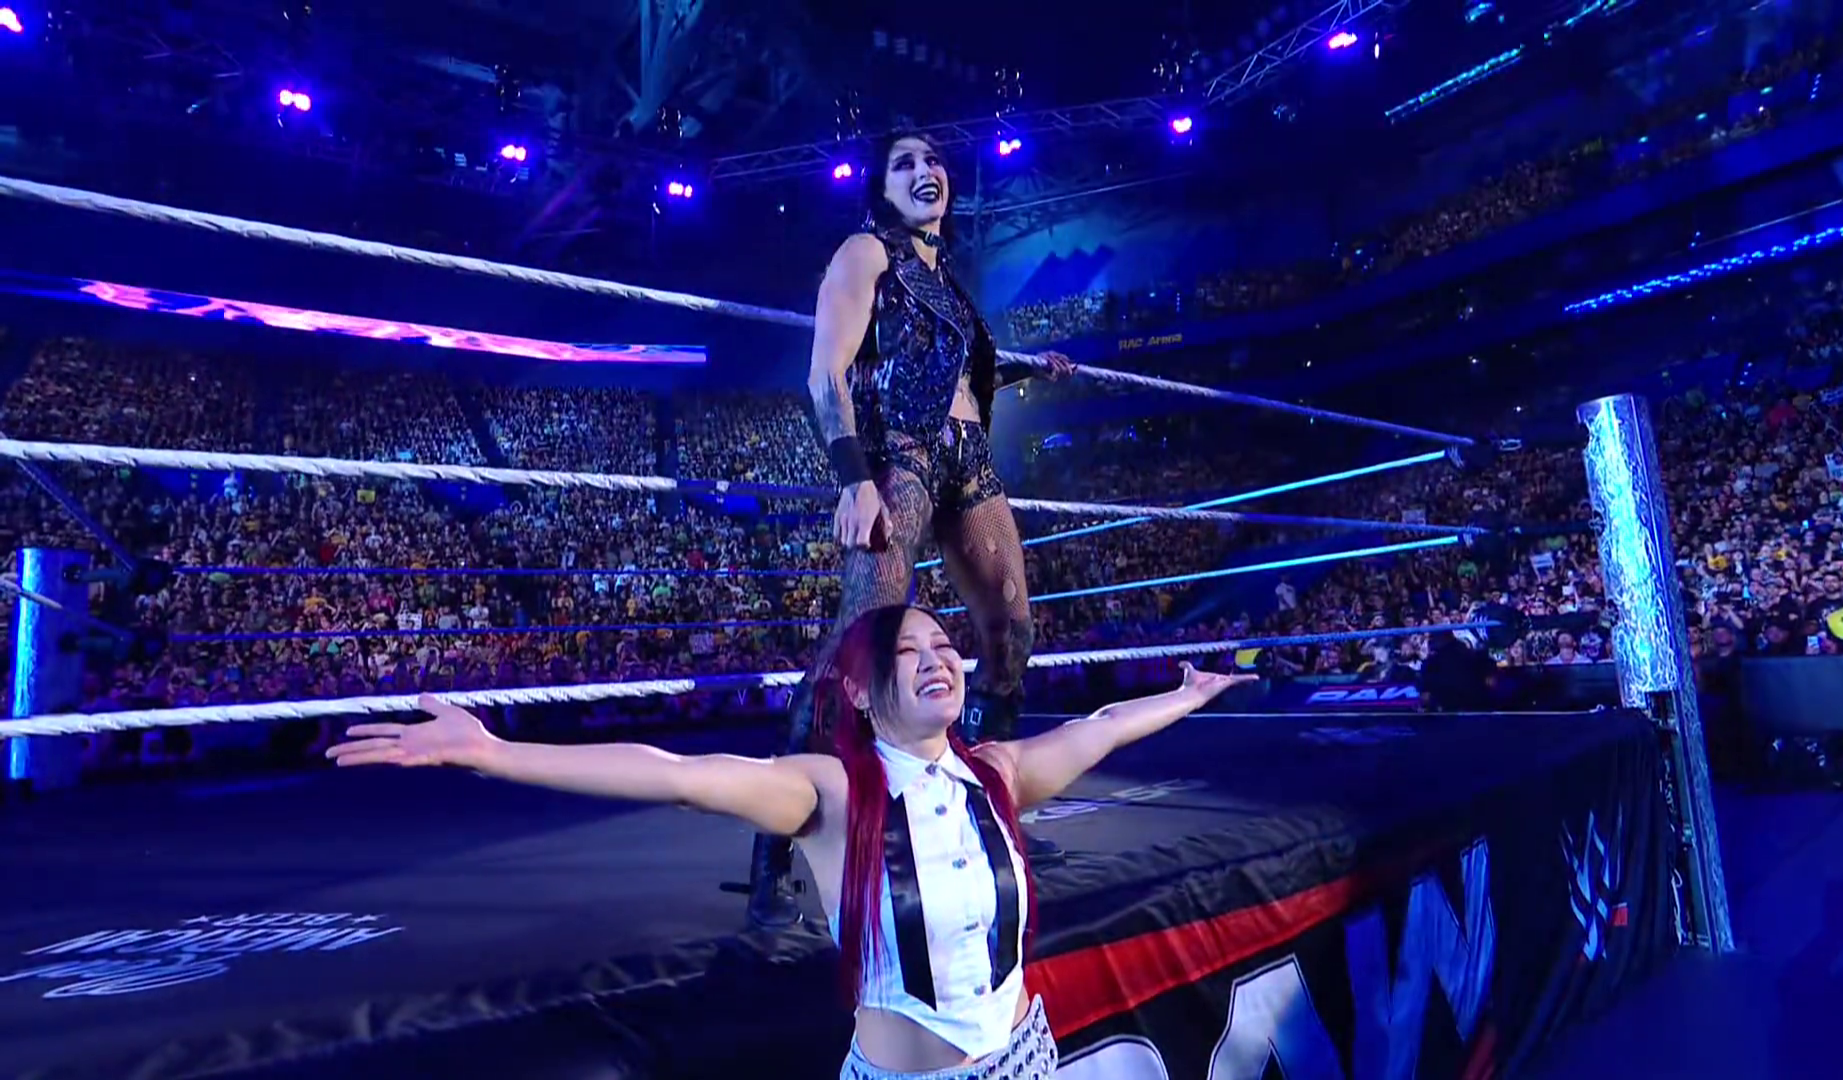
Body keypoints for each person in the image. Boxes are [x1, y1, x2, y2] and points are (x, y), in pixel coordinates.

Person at [327, 605, 1252, 1079]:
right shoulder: (830, 791)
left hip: (1028, 1061)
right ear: (858, 691)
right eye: (908, 652)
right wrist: (496, 753)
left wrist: (1184, 697)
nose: (939, 659)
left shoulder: (999, 772)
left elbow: (1102, 725)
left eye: (945, 646)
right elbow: (676, 773)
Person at [751, 130, 1075, 926]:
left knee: (1012, 629)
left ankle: (993, 806)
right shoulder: (865, 253)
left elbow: (955, 369)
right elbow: (826, 371)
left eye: (933, 160)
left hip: (970, 459)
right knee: (855, 647)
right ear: (882, 187)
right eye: (905, 163)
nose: (926, 171)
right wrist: (853, 478)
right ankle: (773, 855)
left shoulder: (946, 282)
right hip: (900, 456)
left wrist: (1030, 366)